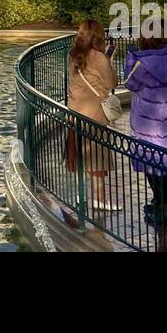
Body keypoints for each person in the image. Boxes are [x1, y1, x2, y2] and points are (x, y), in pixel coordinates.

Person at [123, 31, 167, 227]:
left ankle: (161, 205)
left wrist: (129, 60)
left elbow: (130, 84)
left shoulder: (142, 65)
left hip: (148, 123)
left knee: (152, 164)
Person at [64, 20, 121, 211]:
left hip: (75, 111)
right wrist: (109, 61)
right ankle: (99, 200)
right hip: (94, 113)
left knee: (80, 156)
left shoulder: (73, 55)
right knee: (96, 159)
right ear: (98, 36)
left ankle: (82, 196)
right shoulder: (99, 57)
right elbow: (112, 83)